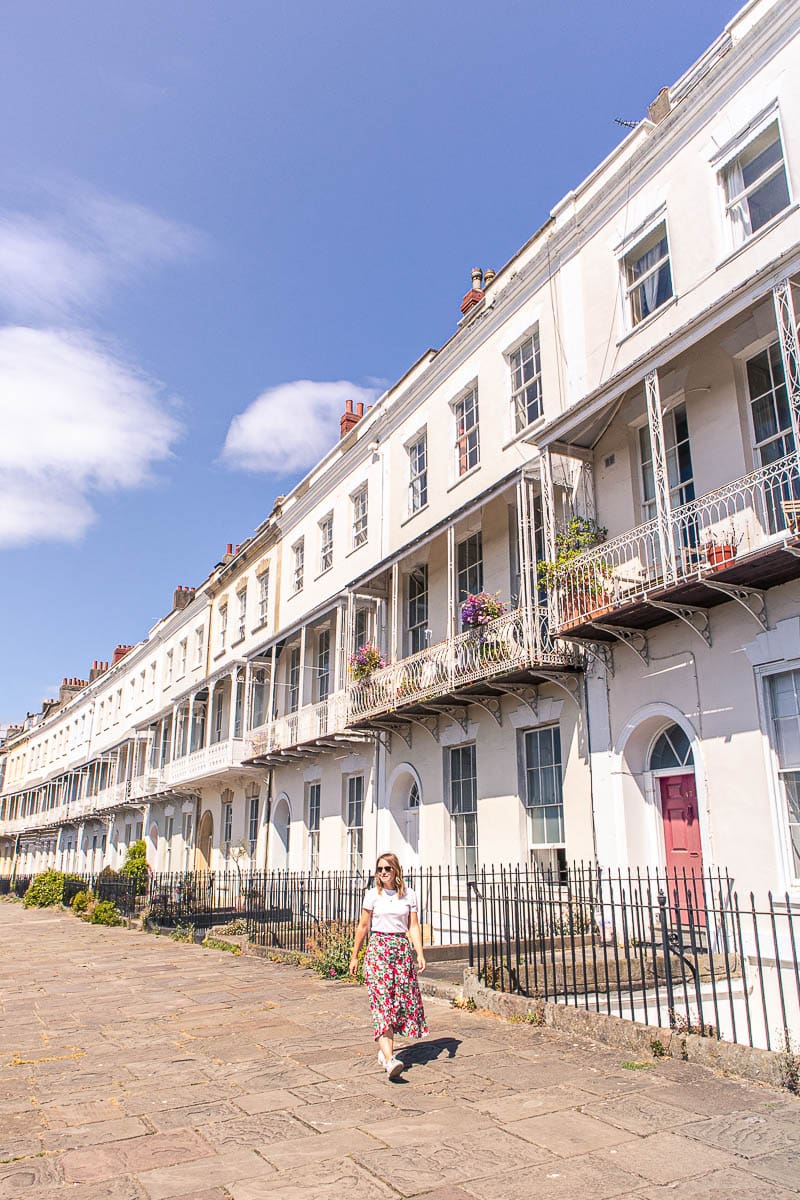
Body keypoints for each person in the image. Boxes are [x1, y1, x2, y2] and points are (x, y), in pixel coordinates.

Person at [349, 852, 428, 1080]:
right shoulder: (372, 895)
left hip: (401, 952)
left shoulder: (409, 895)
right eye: (379, 869)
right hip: (378, 951)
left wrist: (419, 952)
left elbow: (413, 926)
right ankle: (391, 1060)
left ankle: (386, 1053)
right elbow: (363, 927)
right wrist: (355, 956)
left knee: (396, 1004)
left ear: (396, 870)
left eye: (387, 869)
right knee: (382, 1003)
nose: (383, 873)